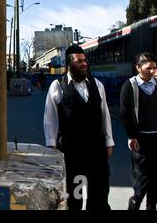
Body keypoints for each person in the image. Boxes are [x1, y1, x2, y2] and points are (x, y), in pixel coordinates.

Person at [43, 44, 114, 210]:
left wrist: (109, 141)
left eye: (85, 60)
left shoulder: (97, 84)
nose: (84, 64)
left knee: (99, 193)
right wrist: (52, 145)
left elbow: (105, 115)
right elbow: (50, 117)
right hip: (71, 150)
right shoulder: (57, 86)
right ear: (69, 64)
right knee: (74, 195)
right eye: (79, 61)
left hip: (97, 148)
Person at [120, 53, 157, 210]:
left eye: (155, 68)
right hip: (140, 139)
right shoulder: (130, 85)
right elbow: (125, 112)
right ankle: (134, 205)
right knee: (141, 181)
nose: (152, 71)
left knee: (155, 182)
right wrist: (131, 135)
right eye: (149, 68)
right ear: (138, 68)